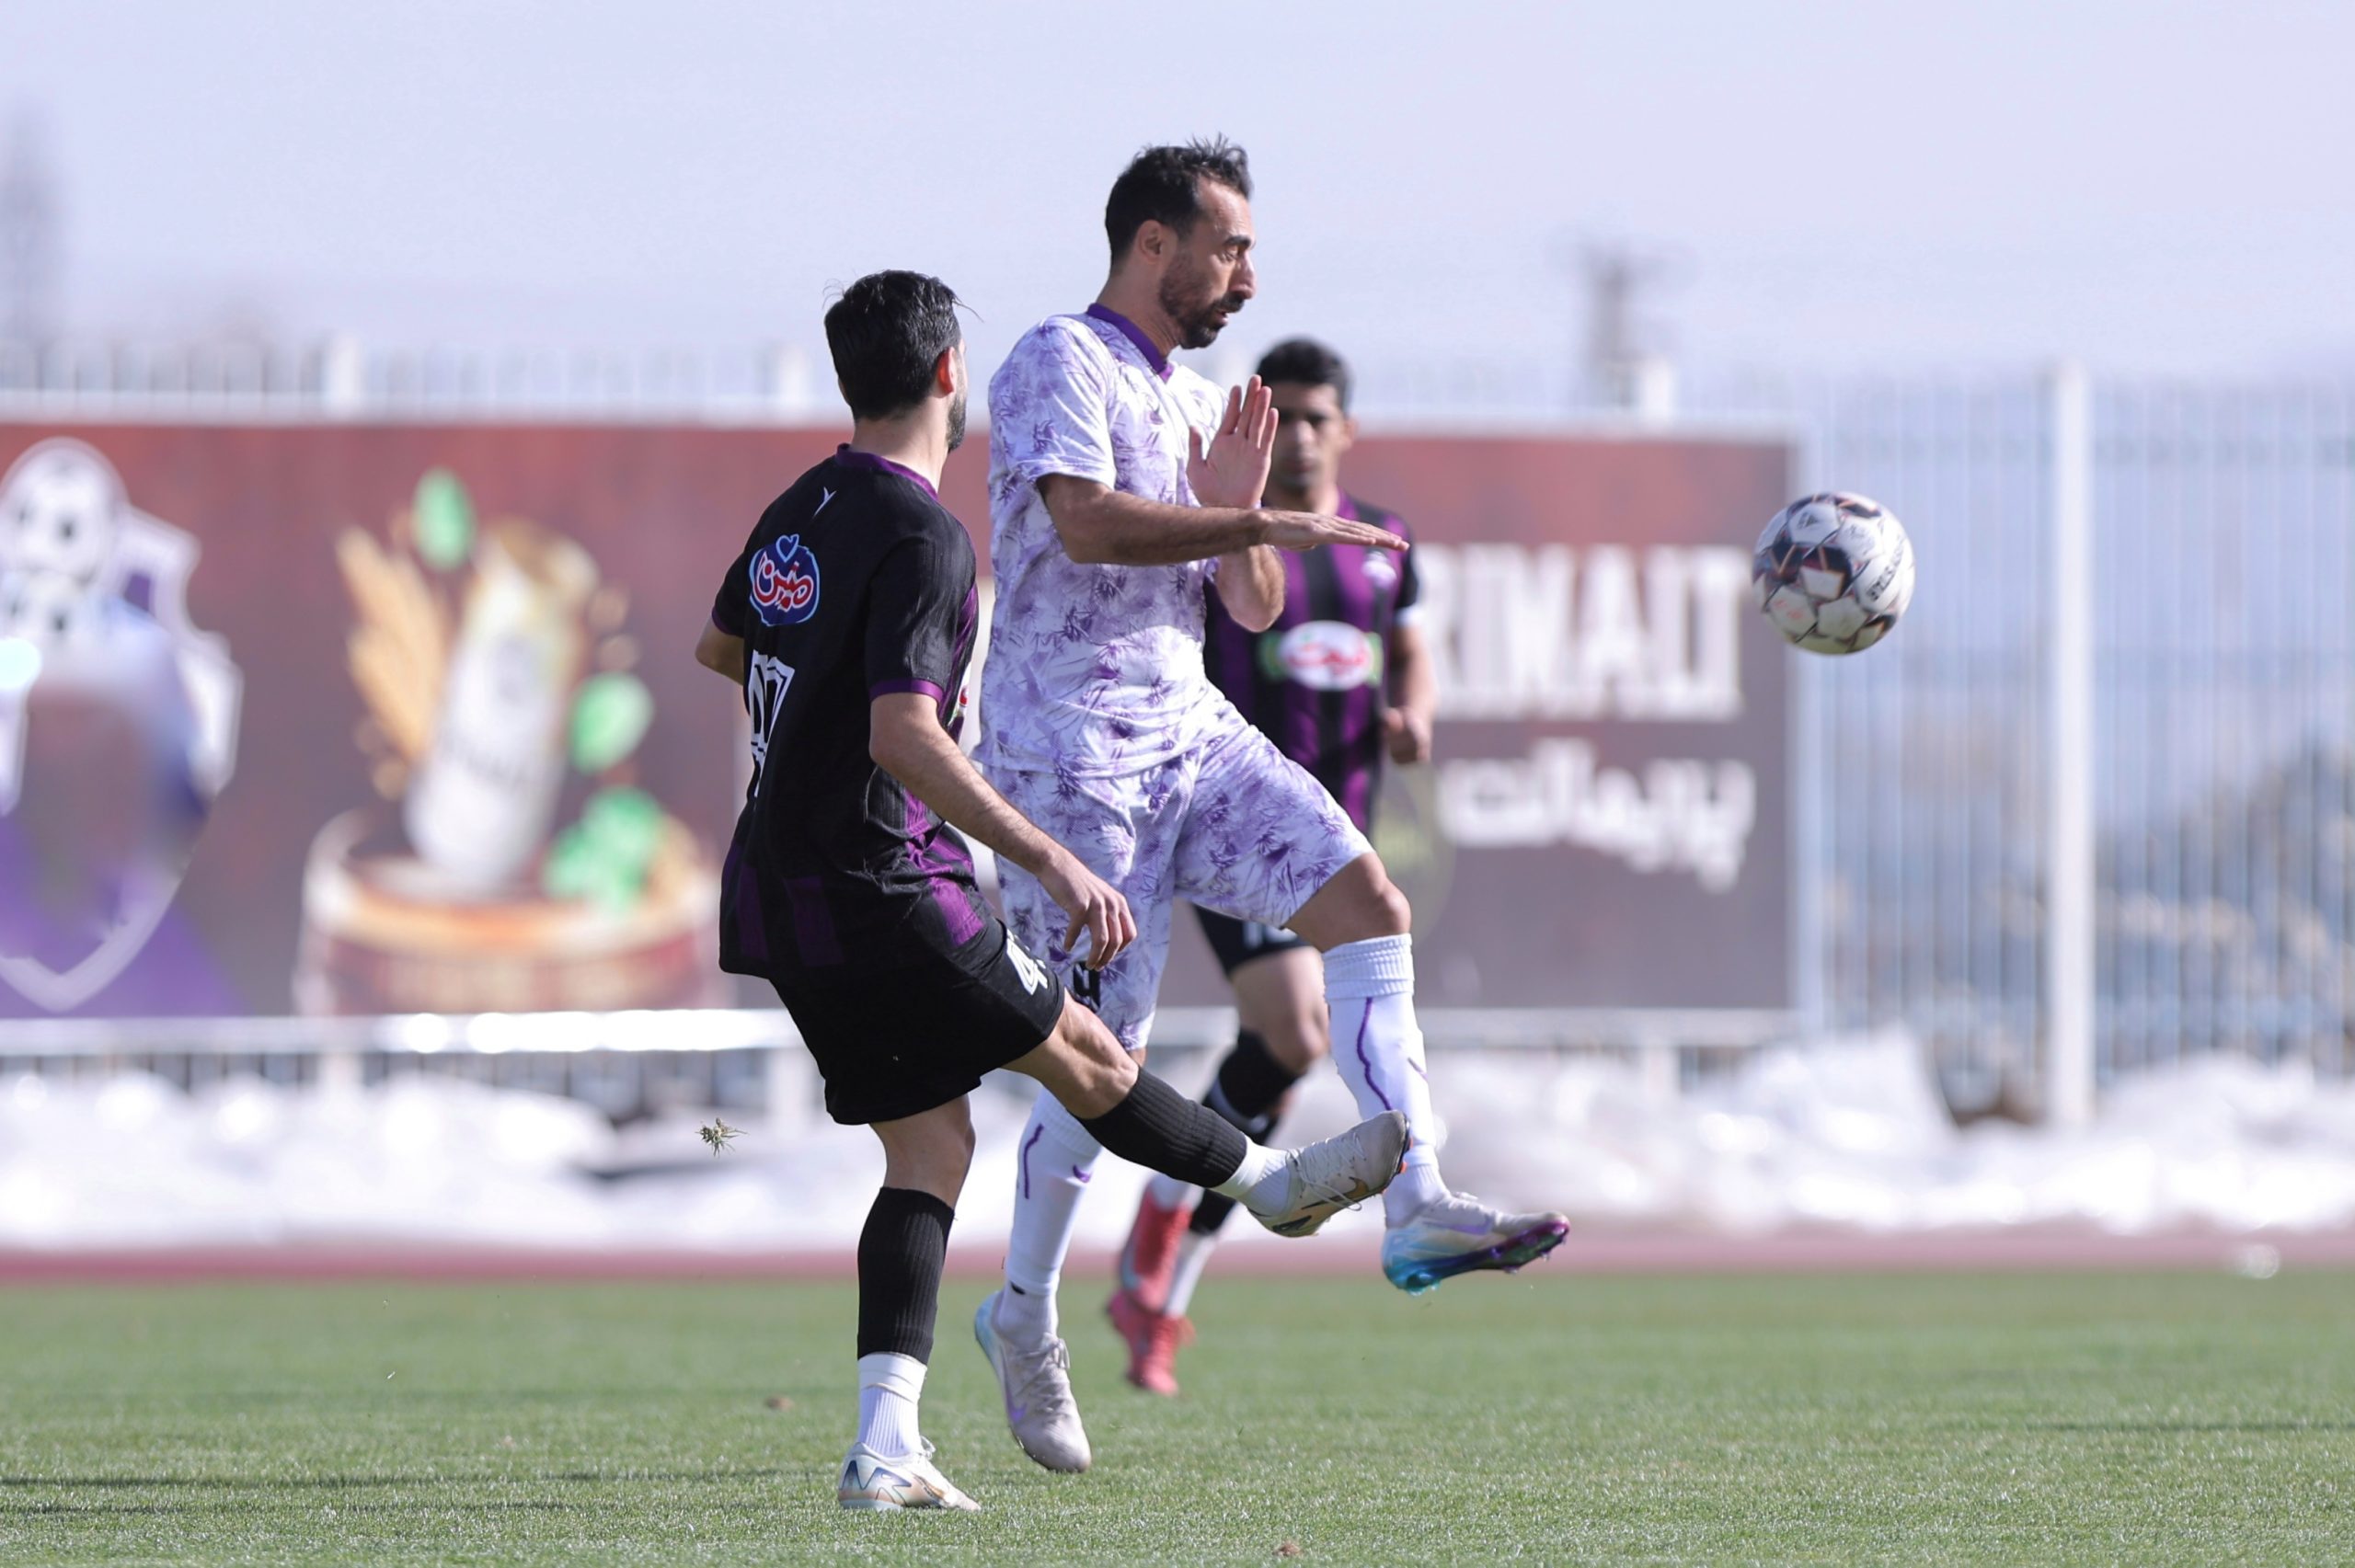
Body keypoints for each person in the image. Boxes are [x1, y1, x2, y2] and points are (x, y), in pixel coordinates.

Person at [694, 269, 1408, 1512]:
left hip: (774, 883)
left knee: (930, 1145)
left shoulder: (799, 507)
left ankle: (884, 1443)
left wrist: (807, 722)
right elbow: (905, 737)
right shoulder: (924, 534)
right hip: (883, 878)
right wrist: (1047, 856)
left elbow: (722, 648)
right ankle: (1270, 1186)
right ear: (950, 376)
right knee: (1081, 1048)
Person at [974, 142, 1566, 1471]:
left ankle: (1416, 1199)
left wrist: (1245, 521)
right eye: (1229, 248)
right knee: (1097, 1061)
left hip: (1188, 732)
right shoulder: (1058, 359)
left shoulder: (1201, 402)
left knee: (1370, 900)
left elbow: (1246, 607)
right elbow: (1085, 524)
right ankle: (1023, 1311)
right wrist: (1247, 522)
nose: (1247, 277)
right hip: (1071, 757)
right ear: (1154, 244)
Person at [1097, 336, 1557, 1396]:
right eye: (1285, 418)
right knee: (1298, 1031)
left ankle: (1160, 1281)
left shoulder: (1383, 543)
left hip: (1332, 836)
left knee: (1281, 1053)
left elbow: (1411, 649)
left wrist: (1415, 713)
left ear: (1346, 429)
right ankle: (1196, 1227)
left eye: (1317, 418)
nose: (1300, 436)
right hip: (1232, 829)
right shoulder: (1232, 536)